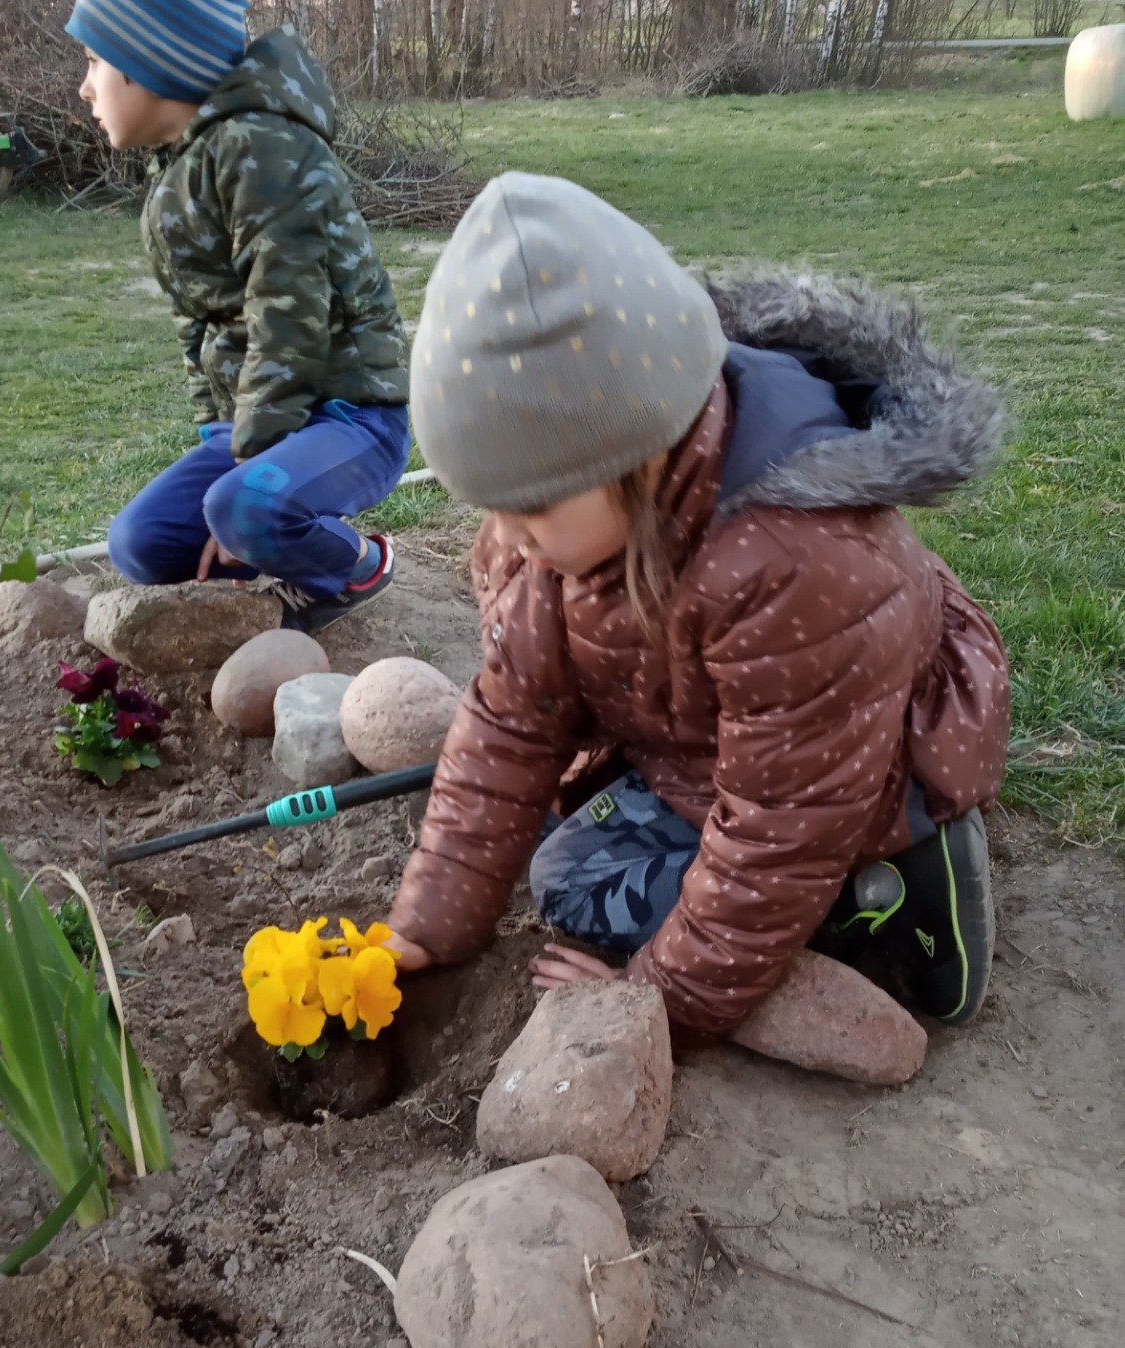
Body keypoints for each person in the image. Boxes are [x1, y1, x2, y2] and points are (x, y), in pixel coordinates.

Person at [385, 172, 1010, 1045]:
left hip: (868, 760)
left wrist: (656, 1003)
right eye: (490, 505)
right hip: (713, 743)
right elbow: (510, 724)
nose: (506, 537)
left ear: (634, 455)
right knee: (567, 877)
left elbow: (780, 830)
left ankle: (894, 882)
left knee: (752, 868)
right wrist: (427, 922)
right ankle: (776, 893)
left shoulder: (797, 563)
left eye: (527, 507)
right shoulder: (566, 526)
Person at [67, 0, 411, 634]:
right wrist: (218, 436)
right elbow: (198, 320)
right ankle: (269, 545)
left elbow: (290, 315)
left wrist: (246, 469)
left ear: (148, 65)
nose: (85, 85)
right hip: (263, 425)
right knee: (141, 542)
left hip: (352, 416)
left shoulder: (262, 148)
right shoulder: (182, 167)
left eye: (96, 61)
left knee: (244, 508)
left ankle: (359, 563)